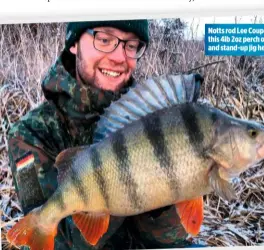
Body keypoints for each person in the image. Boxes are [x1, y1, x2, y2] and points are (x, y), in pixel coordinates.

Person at [8, 20, 202, 249]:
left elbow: (168, 241)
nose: (120, 57)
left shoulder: (159, 121)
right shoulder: (30, 133)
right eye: (104, 40)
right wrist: (116, 182)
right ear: (74, 44)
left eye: (131, 46)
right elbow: (54, 241)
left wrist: (165, 196)